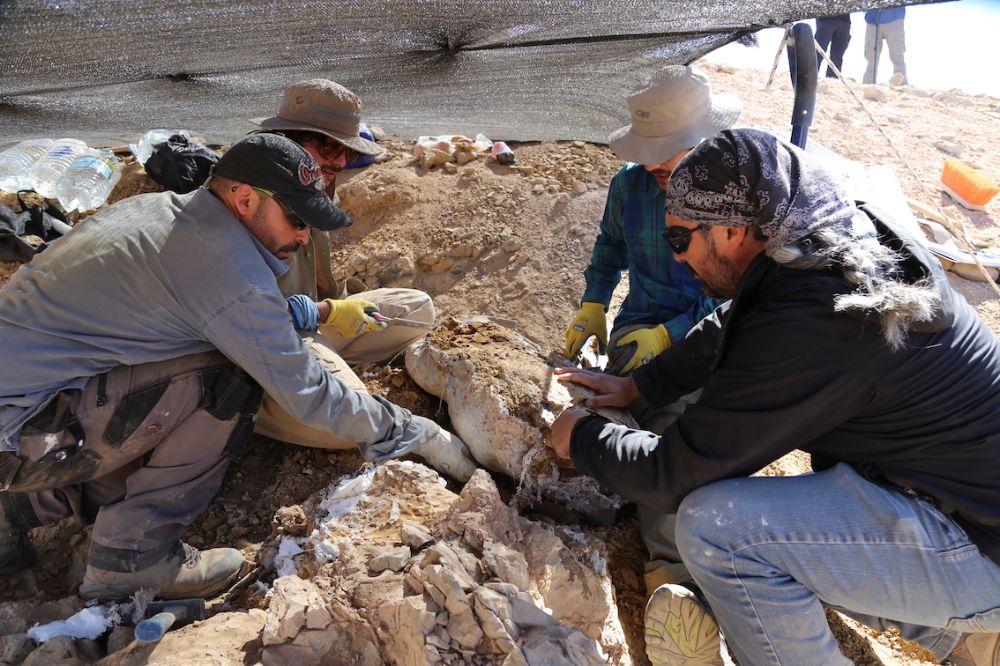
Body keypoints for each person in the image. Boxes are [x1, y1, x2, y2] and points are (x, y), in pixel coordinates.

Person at [550, 128, 1000, 665]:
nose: (675, 261)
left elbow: (676, 474)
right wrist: (641, 385)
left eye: (680, 240)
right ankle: (967, 639)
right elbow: (729, 323)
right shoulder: (829, 240)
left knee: (720, 529)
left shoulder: (823, 318)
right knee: (808, 515)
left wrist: (581, 437)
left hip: (977, 542)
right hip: (949, 501)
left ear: (734, 231)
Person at [0, 133, 473, 601]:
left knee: (191, 373)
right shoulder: (225, 266)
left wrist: (319, 313)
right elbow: (307, 393)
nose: (304, 235)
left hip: (25, 411)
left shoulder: (163, 212)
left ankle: (15, 510)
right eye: (296, 219)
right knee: (231, 376)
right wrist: (411, 430)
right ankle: (131, 558)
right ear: (244, 198)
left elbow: (212, 311)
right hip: (25, 436)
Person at [247, 79, 446, 460]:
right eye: (328, 146)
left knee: (416, 307)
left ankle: (328, 375)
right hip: (262, 357)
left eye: (345, 152)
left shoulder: (312, 184)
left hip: (307, 326)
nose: (338, 161)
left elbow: (318, 285)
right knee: (360, 418)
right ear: (288, 138)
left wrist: (339, 309)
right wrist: (329, 314)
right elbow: (244, 318)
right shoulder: (247, 201)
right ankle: (277, 411)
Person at [864, 7, 907, 85]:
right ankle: (868, 86)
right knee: (871, 56)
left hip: (894, 16)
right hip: (873, 18)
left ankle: (902, 86)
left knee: (897, 54)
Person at [815, 13, 852, 78]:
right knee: (837, 57)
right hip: (844, 20)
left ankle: (809, 79)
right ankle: (832, 80)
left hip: (826, 19)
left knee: (817, 54)